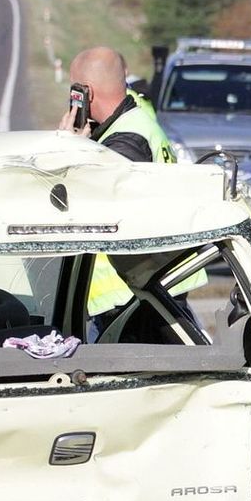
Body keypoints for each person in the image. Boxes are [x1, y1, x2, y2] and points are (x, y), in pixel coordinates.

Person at [59, 46, 180, 334]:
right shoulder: (133, 121)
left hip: (130, 297)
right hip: (151, 289)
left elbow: (83, 203)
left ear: (85, 91)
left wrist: (68, 149)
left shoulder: (125, 143)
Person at [58, 45, 176, 165]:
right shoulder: (134, 123)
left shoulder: (123, 145)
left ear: (89, 93)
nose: (71, 98)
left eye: (75, 90)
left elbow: (94, 182)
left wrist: (72, 150)